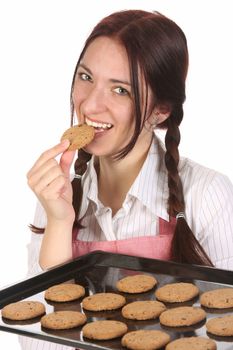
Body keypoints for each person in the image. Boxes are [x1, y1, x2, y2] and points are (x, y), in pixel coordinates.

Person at [20, 9, 233, 350]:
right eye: (86, 77)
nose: (90, 105)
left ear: (160, 110)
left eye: (120, 90)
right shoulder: (55, 195)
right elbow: (36, 341)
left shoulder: (207, 195)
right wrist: (58, 225)